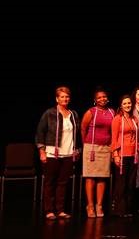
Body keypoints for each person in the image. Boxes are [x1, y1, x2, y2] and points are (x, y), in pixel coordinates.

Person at [36, 86, 81, 220]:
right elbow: (40, 132)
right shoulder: (49, 113)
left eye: (67, 96)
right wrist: (42, 151)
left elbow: (77, 135)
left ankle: (60, 210)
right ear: (57, 98)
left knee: (63, 183)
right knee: (50, 182)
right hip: (52, 153)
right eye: (62, 96)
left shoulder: (73, 114)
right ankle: (49, 210)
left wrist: (76, 150)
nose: (65, 99)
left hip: (68, 153)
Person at [81, 87, 114, 218]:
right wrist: (86, 144)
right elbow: (83, 128)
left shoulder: (112, 112)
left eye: (104, 97)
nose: (102, 99)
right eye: (99, 97)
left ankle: (99, 205)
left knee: (102, 177)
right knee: (90, 176)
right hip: (92, 148)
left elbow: (114, 130)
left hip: (106, 148)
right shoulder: (91, 111)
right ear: (95, 100)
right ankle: (89, 205)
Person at [111, 95, 139, 218]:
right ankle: (119, 209)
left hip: (133, 155)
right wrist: (115, 154)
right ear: (121, 105)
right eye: (125, 103)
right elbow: (114, 137)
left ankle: (128, 208)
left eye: (129, 103)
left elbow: (137, 137)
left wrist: (138, 150)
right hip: (122, 154)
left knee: (130, 182)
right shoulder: (118, 119)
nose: (128, 105)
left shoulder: (134, 119)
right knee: (121, 183)